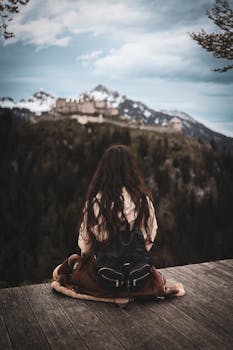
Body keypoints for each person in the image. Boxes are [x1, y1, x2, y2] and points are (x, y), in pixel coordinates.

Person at [52, 145, 185, 301]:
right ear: (131, 170)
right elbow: (149, 238)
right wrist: (133, 254)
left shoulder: (96, 202)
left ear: (103, 171)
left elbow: (86, 246)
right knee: (155, 278)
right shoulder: (143, 201)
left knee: (74, 266)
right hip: (137, 275)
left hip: (104, 277)